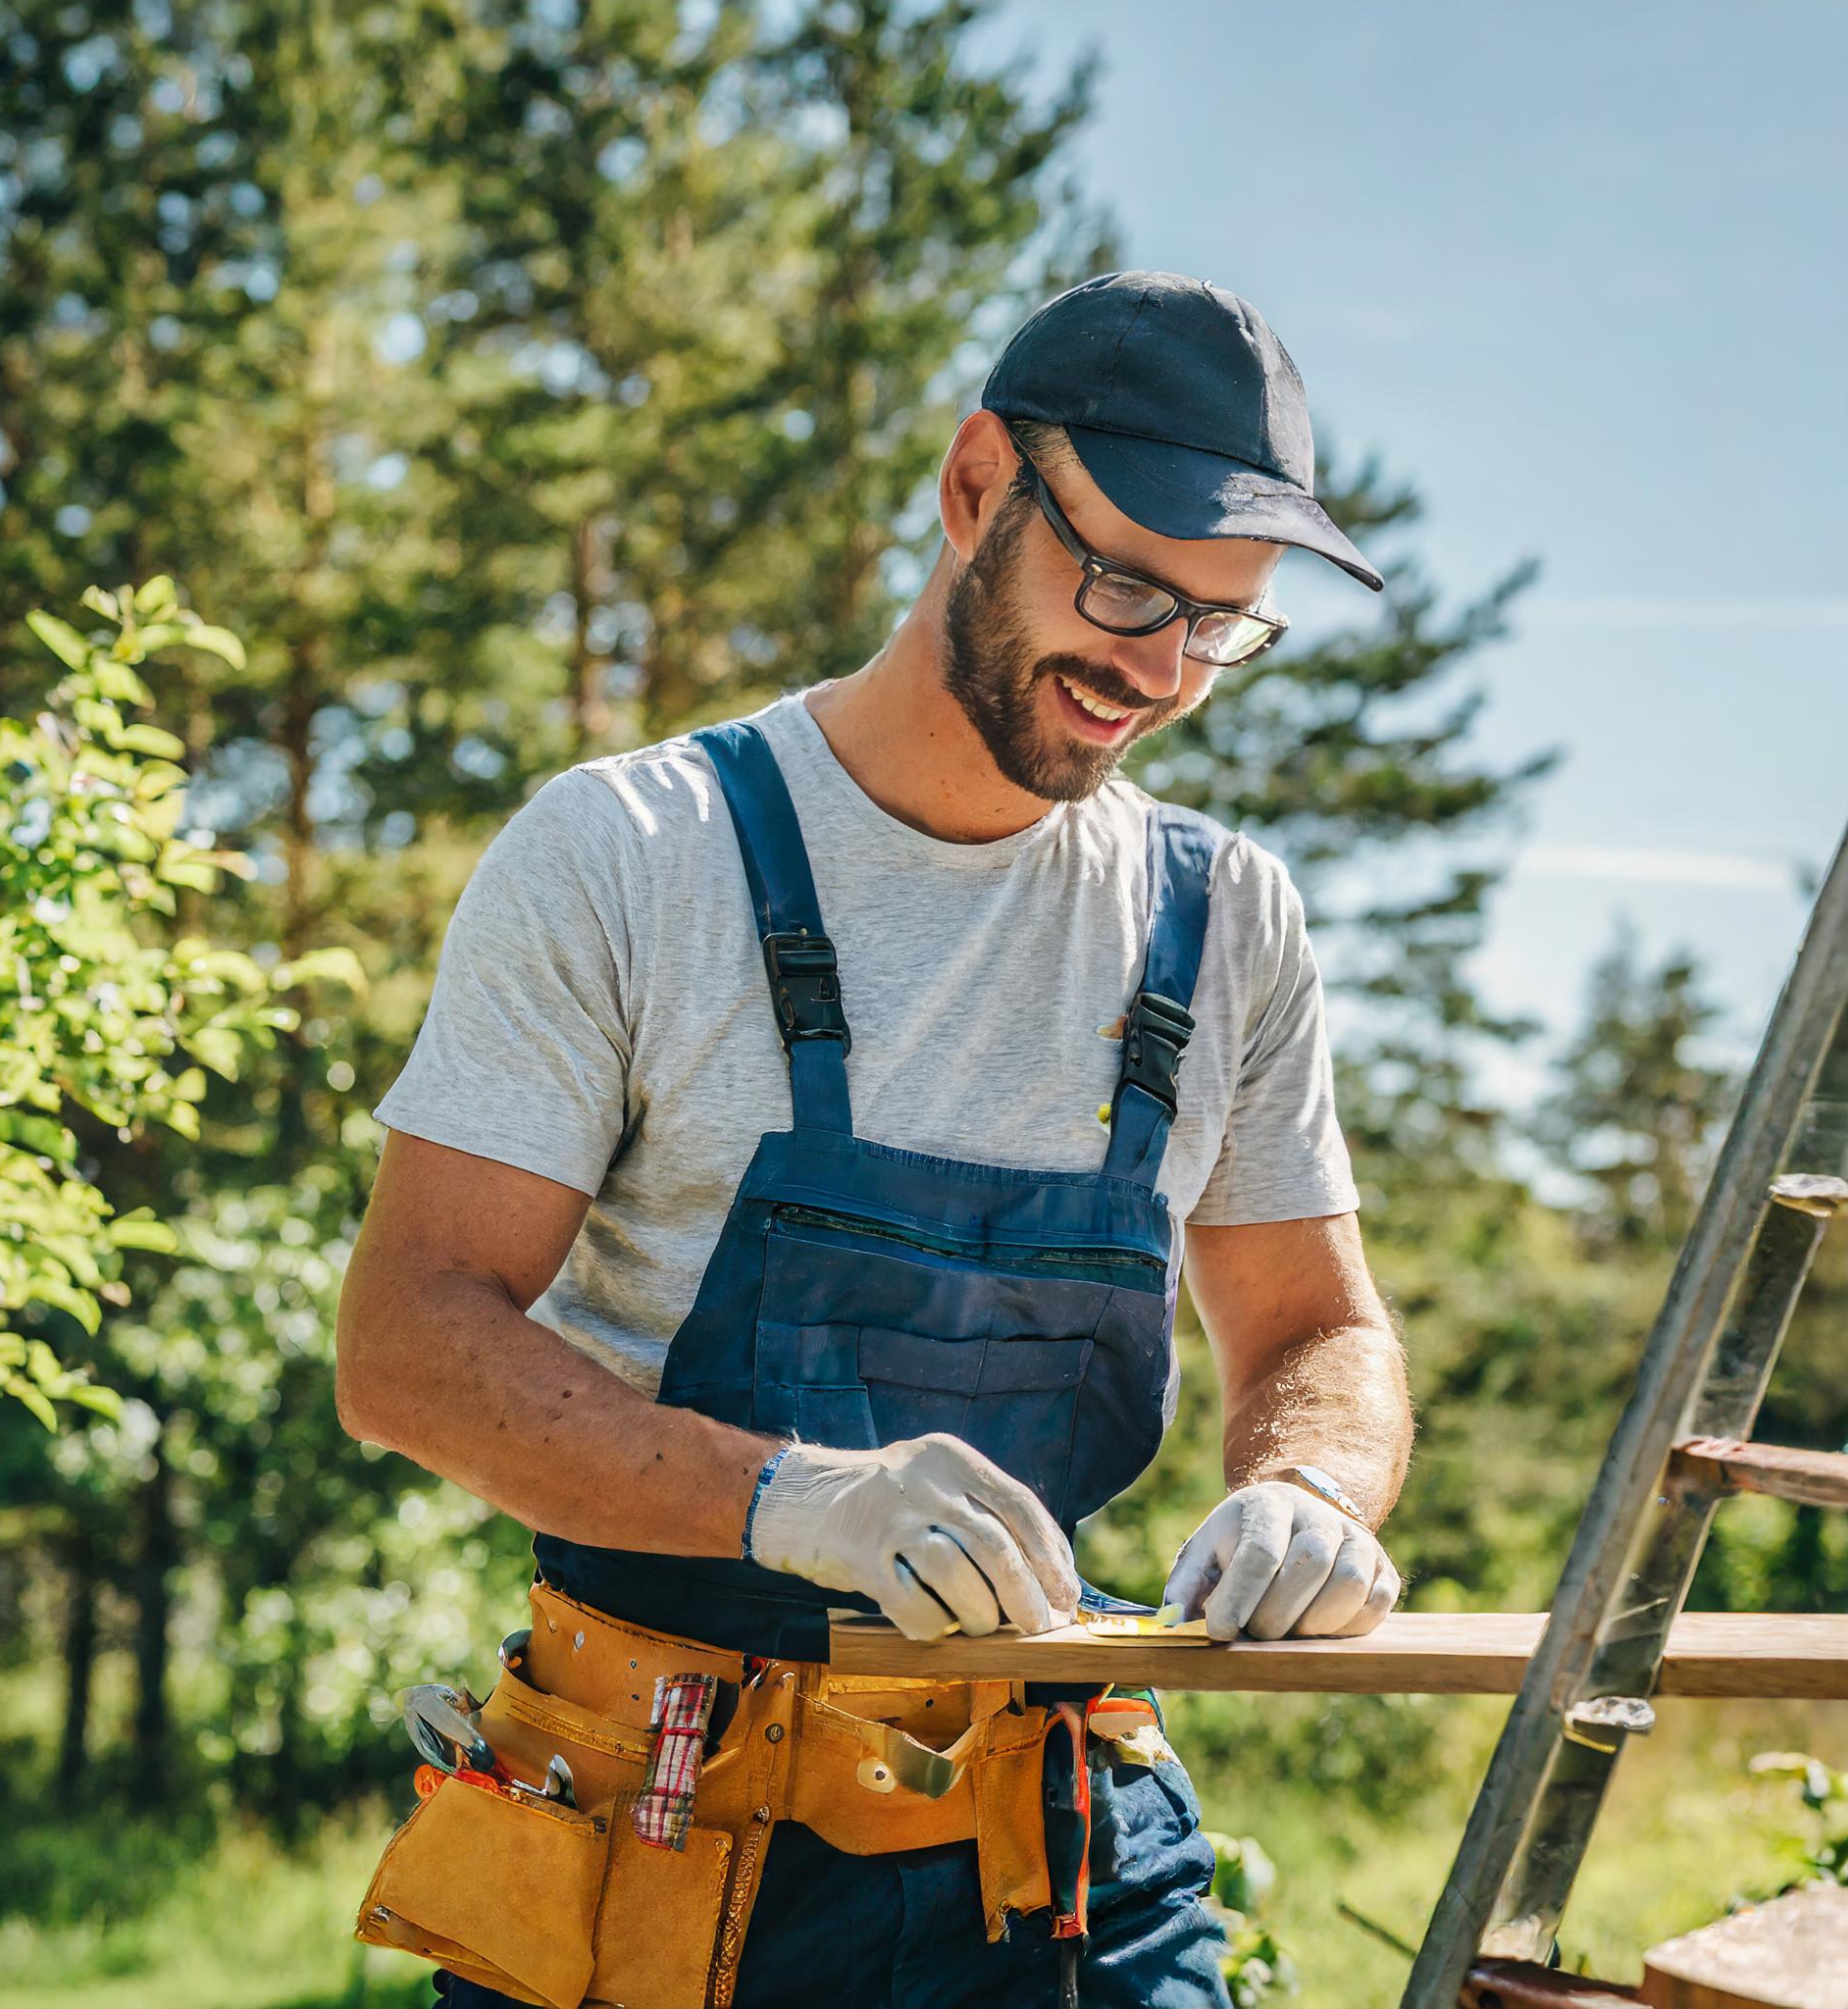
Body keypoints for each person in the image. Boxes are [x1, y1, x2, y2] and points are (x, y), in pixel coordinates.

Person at [336, 270, 1413, 2009]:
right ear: (978, 485)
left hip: (1061, 1842)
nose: (1157, 669)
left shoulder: (1224, 921)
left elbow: (1317, 1330)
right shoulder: (632, 854)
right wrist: (788, 1499)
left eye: (1219, 625)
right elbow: (408, 1349)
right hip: (664, 1835)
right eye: (1129, 582)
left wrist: (1311, 1486)